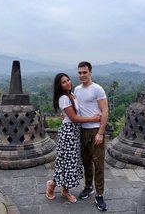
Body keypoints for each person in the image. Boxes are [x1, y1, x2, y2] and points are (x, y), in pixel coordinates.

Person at [46, 73, 100, 203]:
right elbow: (74, 118)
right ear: (59, 85)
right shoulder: (64, 98)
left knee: (72, 163)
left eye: (68, 80)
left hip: (75, 132)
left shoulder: (72, 95)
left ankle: (65, 190)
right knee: (66, 162)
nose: (67, 83)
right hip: (68, 132)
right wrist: (93, 118)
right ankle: (52, 186)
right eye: (63, 82)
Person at [74, 61, 109, 211]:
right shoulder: (77, 89)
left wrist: (101, 132)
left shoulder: (97, 89)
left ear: (90, 73)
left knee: (98, 165)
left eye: (85, 72)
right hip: (82, 130)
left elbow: (105, 111)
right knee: (86, 162)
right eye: (80, 72)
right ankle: (88, 187)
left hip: (95, 130)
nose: (82, 75)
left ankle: (99, 195)